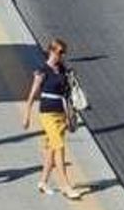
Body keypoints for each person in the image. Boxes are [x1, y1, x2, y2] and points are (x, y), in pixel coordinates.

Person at [23, 38, 82, 199]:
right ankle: (65, 186)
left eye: (64, 52)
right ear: (51, 51)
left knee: (51, 149)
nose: (62, 55)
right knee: (59, 146)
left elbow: (67, 91)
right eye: (59, 52)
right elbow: (33, 92)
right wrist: (27, 113)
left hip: (61, 113)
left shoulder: (62, 68)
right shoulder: (42, 70)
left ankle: (42, 182)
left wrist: (70, 112)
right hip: (47, 113)